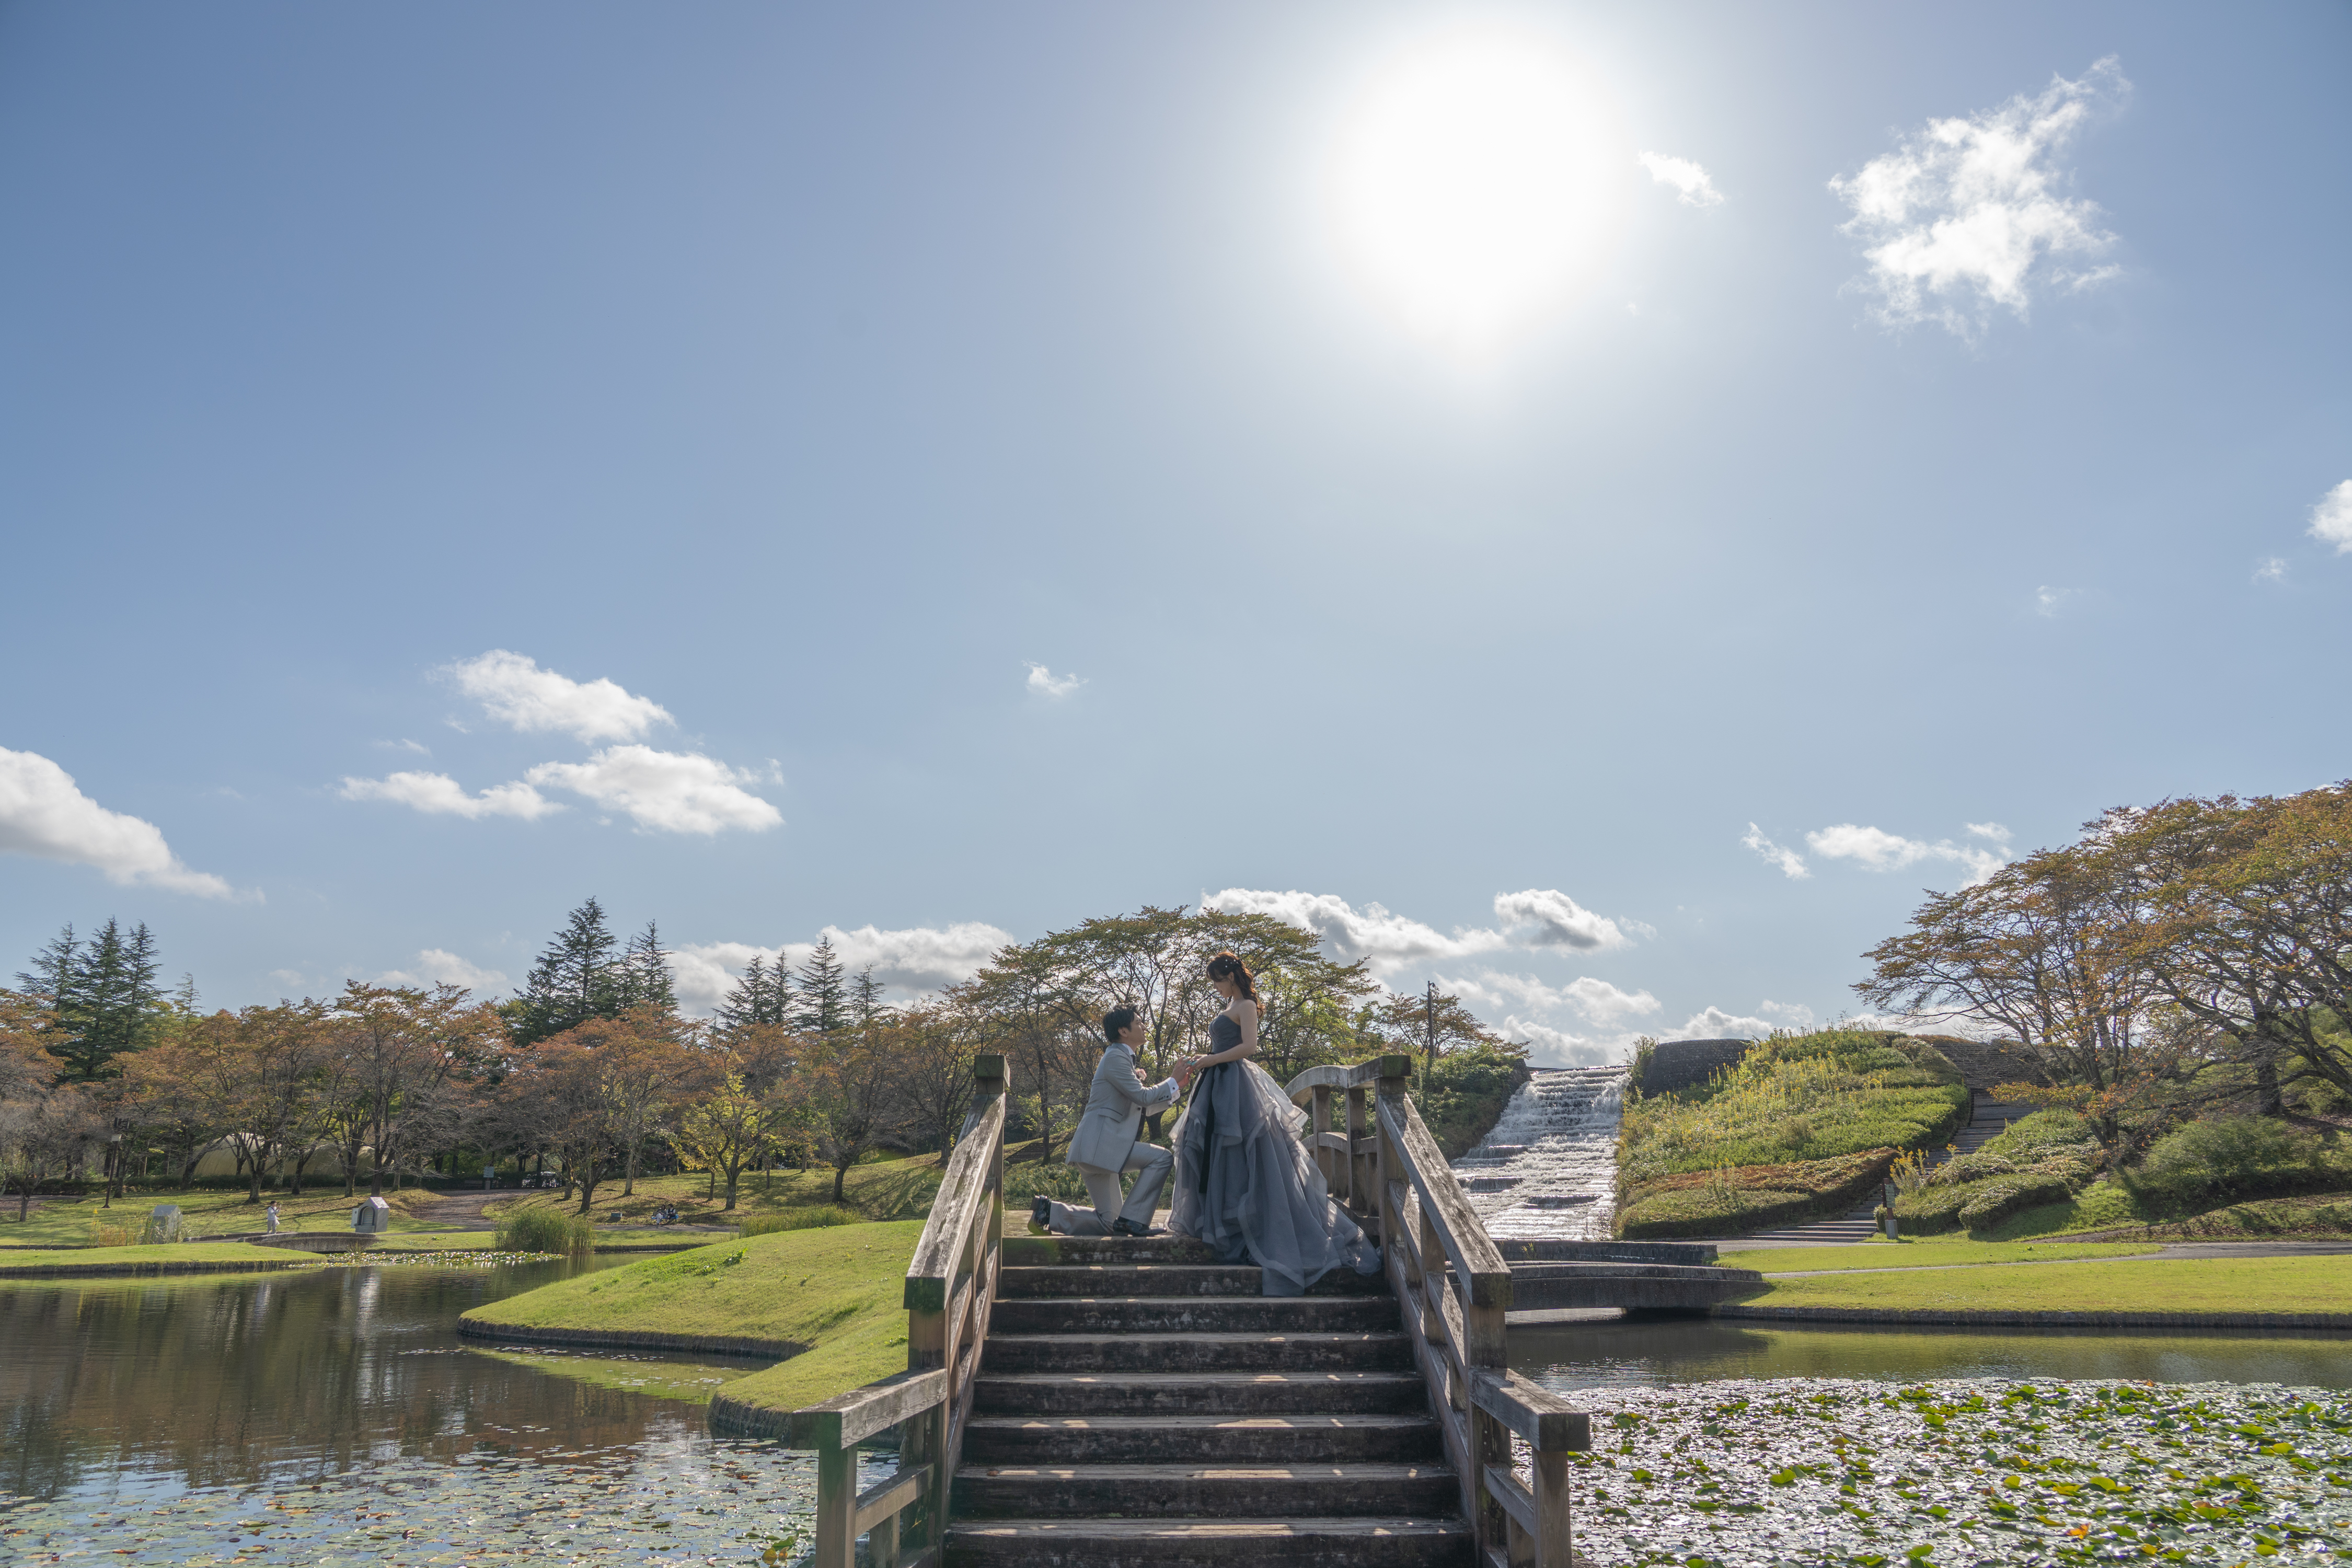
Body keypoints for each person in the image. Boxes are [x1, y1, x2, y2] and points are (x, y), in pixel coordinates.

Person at [1166, 952, 1380, 1296]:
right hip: (1218, 1084)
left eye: (1217, 981)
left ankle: (1256, 1229)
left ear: (1230, 977)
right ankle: (1226, 1225)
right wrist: (1203, 1061)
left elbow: (1248, 1047)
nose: (1216, 988)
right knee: (1220, 1156)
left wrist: (1211, 1059)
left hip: (1236, 1085)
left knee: (1249, 1154)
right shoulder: (1231, 1004)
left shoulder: (1246, 1005)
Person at [1035, 1005, 1186, 1238]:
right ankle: (1135, 1221)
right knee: (1162, 1158)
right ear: (1123, 1031)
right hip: (1101, 1147)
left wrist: (1175, 1090)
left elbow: (1142, 1105)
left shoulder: (1119, 1057)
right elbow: (1143, 1097)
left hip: (1096, 1150)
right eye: (1138, 1022)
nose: (1144, 1026)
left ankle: (1048, 1212)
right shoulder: (1116, 1056)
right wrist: (1172, 1080)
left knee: (1110, 1223)